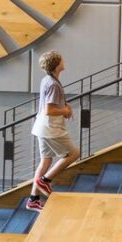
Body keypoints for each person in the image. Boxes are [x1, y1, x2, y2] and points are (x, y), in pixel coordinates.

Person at [27, 51, 81, 213]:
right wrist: (65, 110)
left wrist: (64, 106)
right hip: (51, 128)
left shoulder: (48, 80)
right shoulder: (53, 84)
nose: (64, 61)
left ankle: (33, 200)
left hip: (42, 127)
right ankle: (45, 180)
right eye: (61, 60)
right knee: (74, 153)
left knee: (45, 161)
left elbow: (51, 103)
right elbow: (49, 110)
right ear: (57, 65)